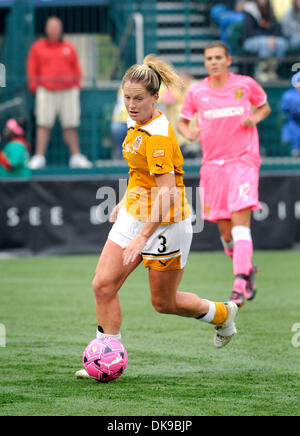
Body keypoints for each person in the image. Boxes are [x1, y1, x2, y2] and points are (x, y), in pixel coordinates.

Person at [76, 55, 239, 378]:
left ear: (155, 97)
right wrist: (125, 201)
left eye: (139, 99)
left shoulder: (159, 136)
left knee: (163, 303)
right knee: (103, 285)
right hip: (136, 213)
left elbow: (167, 194)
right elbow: (139, 170)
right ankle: (106, 358)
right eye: (127, 97)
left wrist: (141, 236)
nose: (132, 105)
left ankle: (223, 313)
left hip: (166, 221)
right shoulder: (134, 122)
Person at [178, 41, 271, 308]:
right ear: (205, 62)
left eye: (219, 57)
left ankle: (239, 285)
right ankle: (247, 268)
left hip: (243, 162)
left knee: (241, 223)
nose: (214, 62)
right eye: (209, 58)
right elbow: (183, 122)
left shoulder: (245, 85)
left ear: (229, 60)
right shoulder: (197, 92)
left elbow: (264, 106)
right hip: (213, 167)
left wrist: (255, 118)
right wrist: (189, 133)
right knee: (226, 233)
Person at [26, 16, 92, 169]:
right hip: (46, 90)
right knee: (43, 123)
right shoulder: (38, 47)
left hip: (68, 91)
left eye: (58, 27)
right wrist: (35, 87)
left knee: (71, 124)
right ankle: (39, 157)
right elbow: (32, 68)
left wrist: (76, 85)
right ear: (46, 29)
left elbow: (76, 68)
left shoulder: (69, 47)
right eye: (52, 27)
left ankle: (76, 156)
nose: (55, 29)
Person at [242, 0, 289, 81]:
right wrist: (268, 38)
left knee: (282, 43)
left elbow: (276, 27)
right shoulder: (249, 11)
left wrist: (272, 37)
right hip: (250, 41)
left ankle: (272, 70)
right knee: (265, 43)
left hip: (269, 39)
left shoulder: (270, 10)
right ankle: (262, 71)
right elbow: (249, 31)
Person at [281, 74, 300, 157]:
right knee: (291, 128)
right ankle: (294, 150)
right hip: (293, 120)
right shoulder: (288, 95)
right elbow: (285, 108)